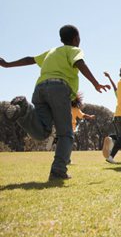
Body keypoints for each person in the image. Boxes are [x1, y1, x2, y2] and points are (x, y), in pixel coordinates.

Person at [0, 25, 110, 180]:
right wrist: (96, 83)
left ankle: (23, 109)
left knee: (42, 132)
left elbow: (30, 59)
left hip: (40, 89)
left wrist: (7, 64)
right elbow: (80, 63)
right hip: (58, 89)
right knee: (65, 134)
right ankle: (58, 171)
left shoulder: (52, 51)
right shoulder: (74, 50)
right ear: (76, 39)